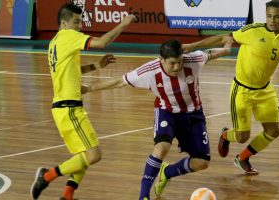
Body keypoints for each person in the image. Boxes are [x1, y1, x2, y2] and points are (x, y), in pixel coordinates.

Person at [182, 0, 279, 175]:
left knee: (273, 131)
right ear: (265, 15)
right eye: (269, 16)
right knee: (242, 136)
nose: (272, 20)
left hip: (265, 90)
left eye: (277, 17)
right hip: (242, 90)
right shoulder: (252, 31)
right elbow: (222, 38)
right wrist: (191, 46)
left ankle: (242, 158)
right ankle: (226, 134)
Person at [83, 39, 232, 200]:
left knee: (202, 163)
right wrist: (89, 88)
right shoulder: (149, 71)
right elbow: (119, 82)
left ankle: (166, 172)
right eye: (172, 63)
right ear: (161, 60)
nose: (177, 67)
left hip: (193, 114)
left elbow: (222, 50)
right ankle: (143, 196)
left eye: (180, 62)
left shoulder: (194, 59)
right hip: (166, 112)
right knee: (162, 147)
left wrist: (228, 44)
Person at [30, 3, 135, 200]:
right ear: (64, 23)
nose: (80, 26)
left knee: (84, 154)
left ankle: (67, 196)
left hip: (65, 107)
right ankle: (46, 176)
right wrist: (123, 24)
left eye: (80, 22)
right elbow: (103, 42)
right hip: (68, 108)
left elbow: (72, 70)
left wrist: (97, 65)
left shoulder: (55, 42)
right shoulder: (69, 36)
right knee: (93, 155)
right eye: (76, 22)